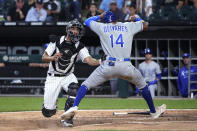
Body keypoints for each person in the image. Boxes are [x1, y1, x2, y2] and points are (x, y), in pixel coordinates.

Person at [61, 11, 166, 124]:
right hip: (126, 66)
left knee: (85, 85)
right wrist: (137, 18)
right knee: (143, 86)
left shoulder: (102, 26)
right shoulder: (128, 26)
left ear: (105, 20)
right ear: (116, 19)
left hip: (108, 65)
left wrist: (99, 16)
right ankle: (153, 111)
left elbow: (87, 21)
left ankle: (74, 107)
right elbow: (146, 25)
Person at [41, 19, 101, 127]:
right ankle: (51, 107)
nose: (76, 31)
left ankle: (67, 119)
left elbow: (89, 60)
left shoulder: (80, 46)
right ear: (67, 30)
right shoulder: (56, 41)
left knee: (74, 88)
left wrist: (101, 61)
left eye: (77, 29)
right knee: (48, 112)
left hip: (68, 76)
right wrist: (52, 57)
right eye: (73, 28)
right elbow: (44, 57)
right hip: (53, 77)